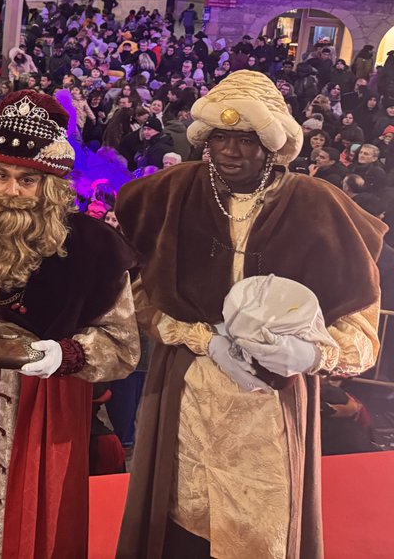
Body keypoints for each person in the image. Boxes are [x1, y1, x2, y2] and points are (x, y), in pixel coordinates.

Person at [115, 71, 383, 559]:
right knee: (178, 521)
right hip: (186, 391)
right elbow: (139, 300)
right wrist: (204, 339)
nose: (230, 152)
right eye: (220, 137)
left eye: (246, 139)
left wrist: (311, 354)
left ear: (271, 145)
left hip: (272, 406)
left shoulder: (318, 206)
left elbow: (361, 331)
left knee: (262, 529)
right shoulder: (169, 195)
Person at [0, 90, 139, 558]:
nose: (11, 191)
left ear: (50, 186)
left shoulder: (93, 248)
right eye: (2, 176)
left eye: (27, 180)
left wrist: (64, 355)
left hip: (46, 402)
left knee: (32, 518)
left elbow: (122, 345)